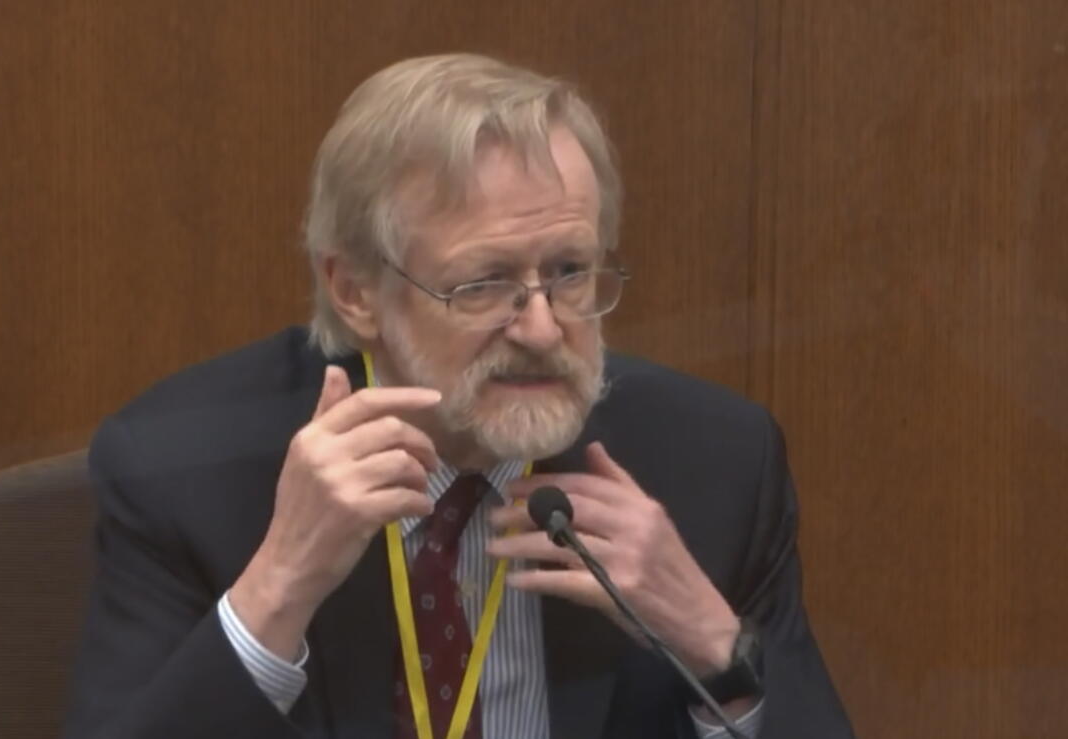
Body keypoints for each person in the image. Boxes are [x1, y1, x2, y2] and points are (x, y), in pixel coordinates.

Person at [63, 53, 853, 739]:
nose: (542, 328)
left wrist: (711, 639)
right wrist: (280, 583)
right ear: (357, 290)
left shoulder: (710, 463)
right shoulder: (186, 473)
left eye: (571, 272)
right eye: (484, 283)